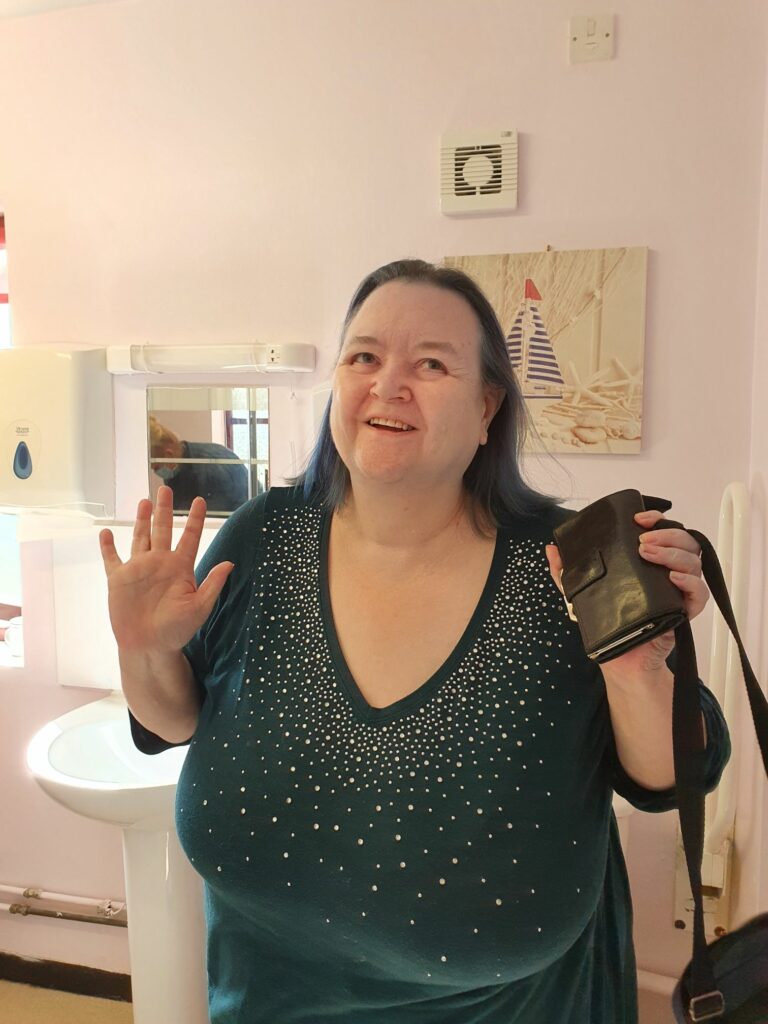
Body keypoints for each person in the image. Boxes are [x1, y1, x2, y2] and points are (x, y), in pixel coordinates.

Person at [100, 260, 730, 1024]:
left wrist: (635, 672)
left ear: (487, 406)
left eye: (431, 364)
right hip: (267, 999)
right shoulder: (265, 537)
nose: (388, 384)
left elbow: (671, 780)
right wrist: (144, 649)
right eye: (364, 356)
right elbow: (175, 722)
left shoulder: (563, 562)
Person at [149, 415, 249, 513]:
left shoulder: (209, 468)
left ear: (168, 454)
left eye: (156, 468)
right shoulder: (175, 467)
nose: (157, 472)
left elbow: (214, 518)